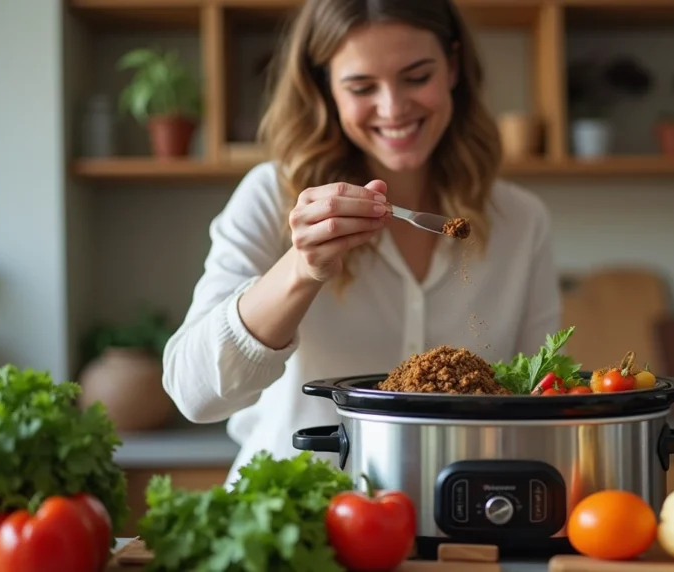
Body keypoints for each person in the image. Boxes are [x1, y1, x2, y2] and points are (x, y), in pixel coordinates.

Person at [161, 0, 561, 486]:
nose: (393, 107)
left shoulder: (521, 220)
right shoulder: (272, 195)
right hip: (293, 521)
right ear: (324, 86)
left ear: (453, 66)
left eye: (416, 77)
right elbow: (195, 394)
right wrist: (301, 267)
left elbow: (541, 398)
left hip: (457, 519)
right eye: (361, 87)